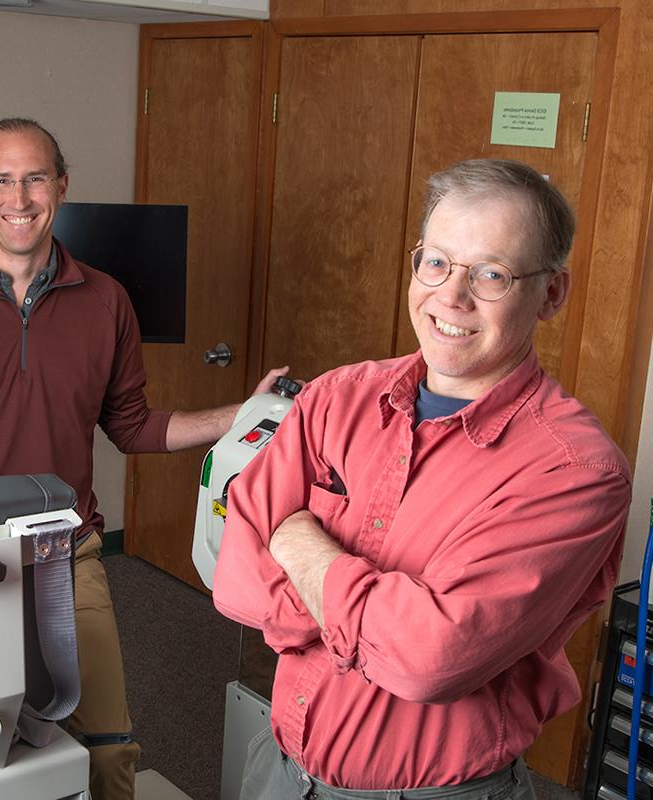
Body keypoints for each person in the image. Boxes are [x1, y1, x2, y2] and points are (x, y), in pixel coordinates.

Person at [0, 117, 287, 800]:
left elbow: (133, 425)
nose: (19, 197)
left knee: (108, 749)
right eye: (1, 179)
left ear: (61, 185)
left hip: (65, 553)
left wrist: (242, 417)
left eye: (34, 177)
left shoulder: (105, 300)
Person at [213, 159, 632, 799]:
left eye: (491, 274)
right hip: (279, 768)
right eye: (435, 262)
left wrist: (296, 539)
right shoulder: (337, 398)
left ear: (551, 294)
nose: (451, 296)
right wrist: (377, 621)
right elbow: (236, 582)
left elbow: (426, 660)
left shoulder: (575, 471)